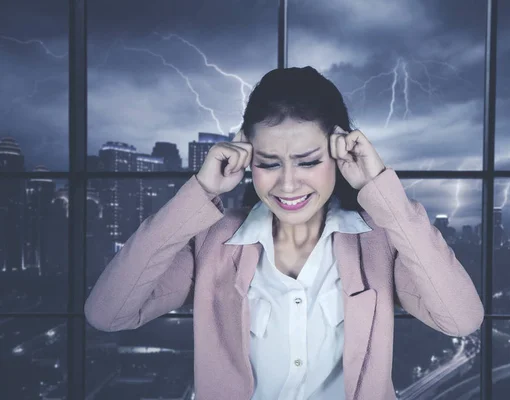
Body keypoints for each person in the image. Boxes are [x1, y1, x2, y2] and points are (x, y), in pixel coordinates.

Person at [85, 66, 484, 400]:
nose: (288, 185)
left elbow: (461, 318)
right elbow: (108, 313)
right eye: (269, 163)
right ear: (246, 158)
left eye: (308, 162)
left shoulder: (377, 241)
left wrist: (379, 186)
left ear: (340, 151)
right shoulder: (212, 242)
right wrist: (201, 193)